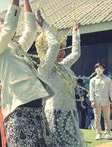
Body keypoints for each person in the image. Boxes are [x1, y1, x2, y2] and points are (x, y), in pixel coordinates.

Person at [0, 0, 54, 146]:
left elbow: (30, 31)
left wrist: (25, 2)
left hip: (36, 106)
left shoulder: (15, 47)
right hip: (19, 109)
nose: (5, 24)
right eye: (1, 23)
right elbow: (10, 27)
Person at [36, 17, 83, 147]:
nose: (62, 52)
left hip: (71, 112)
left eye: (63, 49)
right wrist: (44, 25)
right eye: (59, 49)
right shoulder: (45, 68)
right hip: (56, 114)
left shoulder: (64, 66)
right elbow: (54, 45)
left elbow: (76, 53)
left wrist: (75, 32)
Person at [89, 63, 112, 140]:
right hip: (96, 102)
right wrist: (92, 101)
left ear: (103, 69)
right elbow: (91, 91)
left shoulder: (108, 79)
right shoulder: (92, 80)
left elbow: (111, 91)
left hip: (106, 102)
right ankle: (98, 133)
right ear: (95, 69)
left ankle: (107, 133)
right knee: (97, 118)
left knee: (107, 118)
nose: (98, 69)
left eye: (100, 68)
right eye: (97, 68)